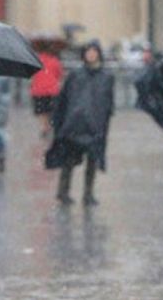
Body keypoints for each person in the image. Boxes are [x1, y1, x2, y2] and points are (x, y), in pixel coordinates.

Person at [45, 41, 114, 206]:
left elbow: (108, 102)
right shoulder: (75, 75)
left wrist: (103, 120)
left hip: (94, 125)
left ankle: (88, 194)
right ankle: (63, 192)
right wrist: (61, 120)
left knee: (92, 161)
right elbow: (64, 99)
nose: (91, 55)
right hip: (74, 124)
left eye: (94, 51)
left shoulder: (106, 77)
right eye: (88, 51)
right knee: (68, 161)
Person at [30, 46, 64, 137]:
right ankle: (48, 125)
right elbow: (60, 74)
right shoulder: (55, 61)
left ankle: (44, 127)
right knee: (50, 110)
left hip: (38, 90)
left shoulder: (36, 60)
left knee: (41, 111)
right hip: (52, 90)